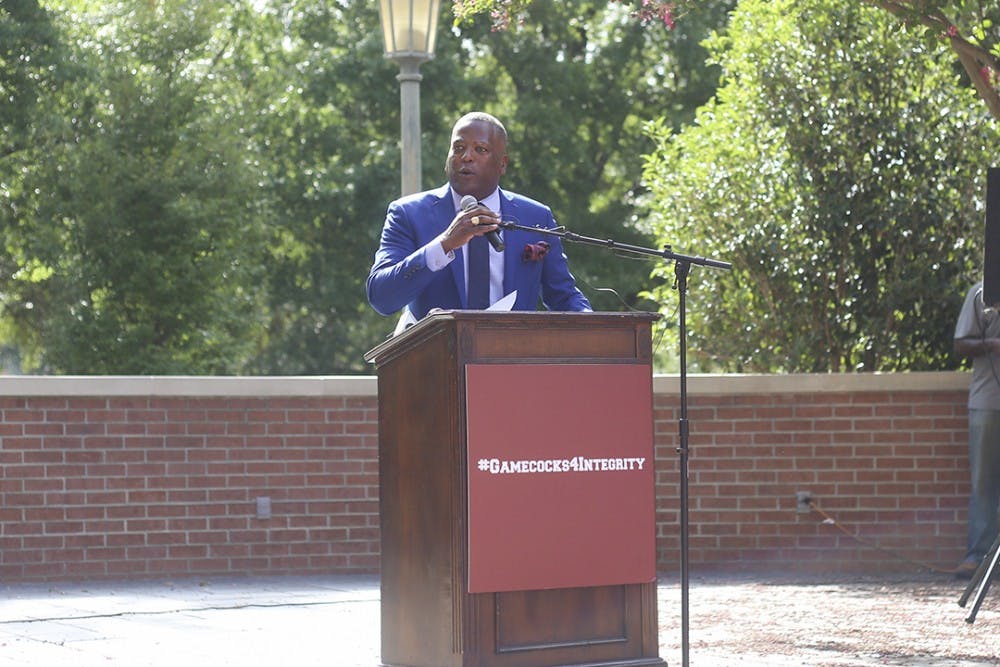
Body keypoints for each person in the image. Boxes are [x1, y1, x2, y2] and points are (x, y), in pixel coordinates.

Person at [366, 111, 591, 320]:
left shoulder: (536, 217)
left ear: (502, 164)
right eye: (458, 148)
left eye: (480, 149)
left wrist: (596, 327)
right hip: (437, 349)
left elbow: (564, 297)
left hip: (512, 349)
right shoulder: (408, 214)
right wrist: (444, 244)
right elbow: (382, 298)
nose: (466, 157)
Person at [954, 280, 1000, 578]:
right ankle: (978, 556)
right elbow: (960, 345)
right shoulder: (981, 293)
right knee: (983, 482)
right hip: (988, 402)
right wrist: (992, 345)